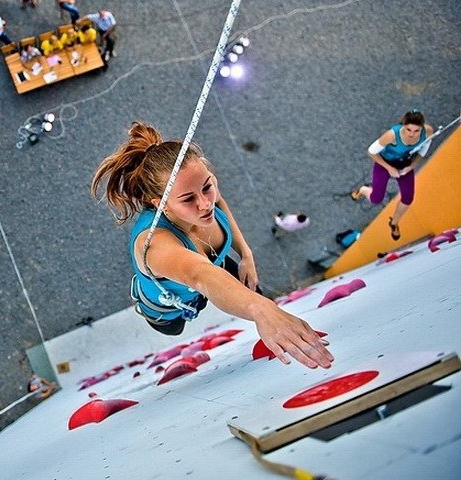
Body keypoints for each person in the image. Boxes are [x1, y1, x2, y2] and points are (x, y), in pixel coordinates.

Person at [91, 122, 334, 369]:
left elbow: (220, 203)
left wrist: (245, 253)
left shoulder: (201, 192)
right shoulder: (154, 245)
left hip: (214, 264)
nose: (206, 204)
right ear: (161, 204)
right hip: (167, 308)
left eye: (207, 186)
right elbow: (199, 274)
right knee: (175, 328)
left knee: (248, 285)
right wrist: (261, 310)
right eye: (188, 199)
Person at [351, 110, 433, 241]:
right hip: (385, 164)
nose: (412, 134)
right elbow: (371, 152)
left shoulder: (428, 131)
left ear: (422, 128)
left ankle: (394, 222)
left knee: (408, 198)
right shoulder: (391, 135)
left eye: (416, 131)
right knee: (376, 199)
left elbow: (423, 151)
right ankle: (363, 190)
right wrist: (389, 168)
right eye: (408, 129)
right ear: (403, 125)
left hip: (405, 164)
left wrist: (411, 167)